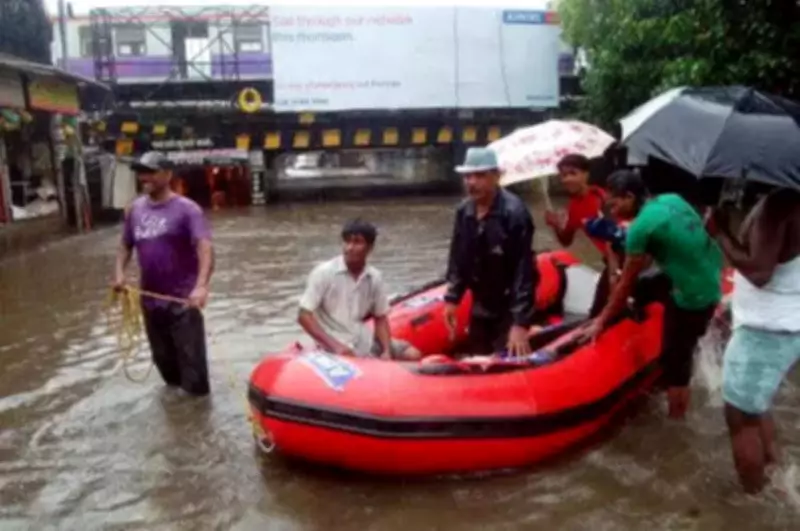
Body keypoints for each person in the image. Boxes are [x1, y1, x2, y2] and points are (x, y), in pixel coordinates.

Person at [585, 170, 723, 419]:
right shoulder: (672, 199)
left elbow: (626, 280)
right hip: (707, 274)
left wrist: (600, 321)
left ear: (629, 197)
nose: (613, 212)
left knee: (676, 363)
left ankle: (677, 422)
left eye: (615, 204)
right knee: (640, 289)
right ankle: (632, 321)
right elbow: (650, 260)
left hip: (693, 296)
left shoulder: (640, 227)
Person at [713, 188, 800, 494]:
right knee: (756, 407)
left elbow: (760, 271)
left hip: (765, 329)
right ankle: (774, 477)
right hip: (787, 323)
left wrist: (719, 233)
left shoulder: (780, 204)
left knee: (740, 416)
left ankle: (752, 502)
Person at [113, 151, 214, 396]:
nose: (144, 177)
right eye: (141, 172)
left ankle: (197, 425)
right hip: (150, 303)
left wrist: (201, 286)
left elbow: (205, 248)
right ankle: (178, 421)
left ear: (168, 174)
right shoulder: (135, 209)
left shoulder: (188, 210)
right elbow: (126, 244)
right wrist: (119, 273)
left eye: (150, 171)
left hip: (183, 303)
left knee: (195, 381)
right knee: (166, 370)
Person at [444, 147, 537, 356]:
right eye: (468, 176)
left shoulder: (515, 213)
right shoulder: (464, 211)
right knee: (477, 355)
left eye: (480, 175)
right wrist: (453, 297)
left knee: (506, 358)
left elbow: (525, 270)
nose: (472, 182)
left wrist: (520, 322)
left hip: (508, 302)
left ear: (496, 176)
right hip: (482, 299)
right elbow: (459, 257)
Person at [298, 219, 421, 360]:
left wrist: (386, 350)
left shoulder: (374, 277)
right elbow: (304, 315)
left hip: (363, 339)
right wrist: (336, 346)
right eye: (347, 241)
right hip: (333, 343)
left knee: (413, 354)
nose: (349, 247)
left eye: (357, 242)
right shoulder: (324, 273)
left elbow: (380, 317)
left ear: (369, 247)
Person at [544, 153, 620, 316]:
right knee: (597, 311)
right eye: (563, 175)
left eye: (573, 173)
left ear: (586, 174)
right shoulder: (574, 206)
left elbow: (618, 233)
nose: (567, 179)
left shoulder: (601, 198)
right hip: (609, 263)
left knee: (605, 311)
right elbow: (566, 240)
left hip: (622, 260)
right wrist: (556, 225)